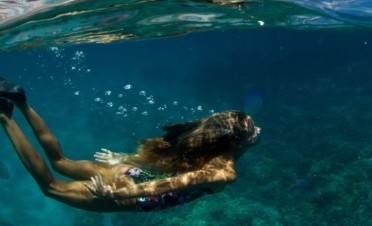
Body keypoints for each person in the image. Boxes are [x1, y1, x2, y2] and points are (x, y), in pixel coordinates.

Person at [0, 77, 260, 212]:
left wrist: (124, 159)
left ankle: (22, 101)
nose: (257, 130)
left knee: (61, 162)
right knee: (51, 187)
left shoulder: (205, 144)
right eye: (252, 130)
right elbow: (169, 184)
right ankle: (5, 115)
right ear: (236, 140)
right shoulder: (223, 171)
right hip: (131, 196)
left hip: (128, 173)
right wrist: (118, 194)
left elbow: (166, 163)